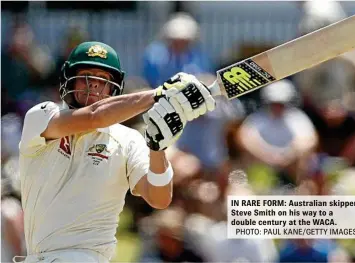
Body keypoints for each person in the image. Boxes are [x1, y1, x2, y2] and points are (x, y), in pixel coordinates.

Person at [17, 41, 215, 262]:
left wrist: (158, 149)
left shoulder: (128, 140)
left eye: (103, 80)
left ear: (114, 88)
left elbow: (159, 198)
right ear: (68, 79)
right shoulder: (42, 117)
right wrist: (160, 93)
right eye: (86, 77)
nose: (93, 86)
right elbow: (95, 116)